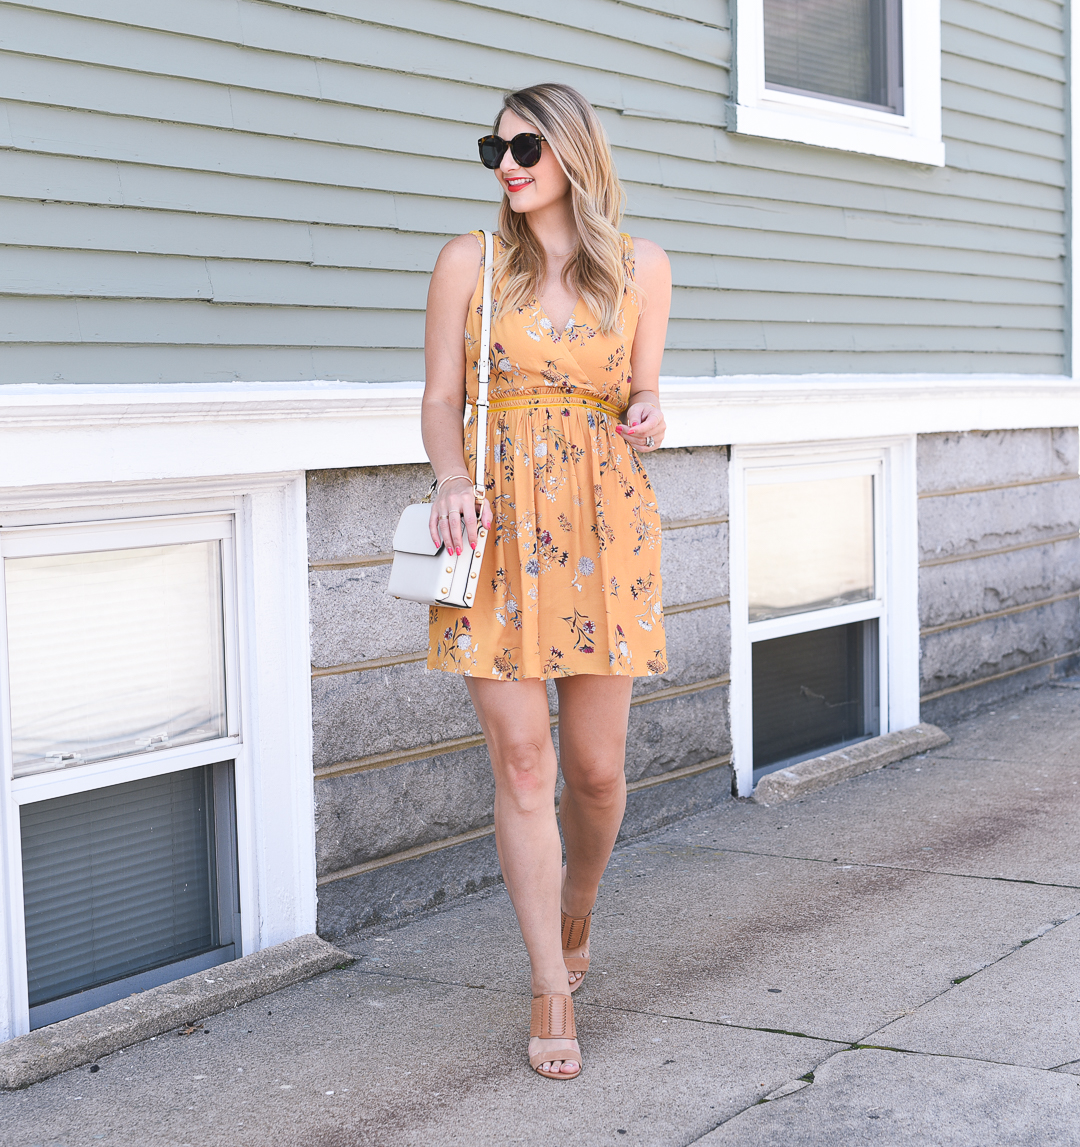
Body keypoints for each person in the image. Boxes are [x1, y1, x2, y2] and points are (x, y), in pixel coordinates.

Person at [421, 82, 671, 1081]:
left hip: (607, 526)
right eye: (496, 149)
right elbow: (441, 397)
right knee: (524, 765)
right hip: (493, 525)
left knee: (597, 771)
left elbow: (645, 392)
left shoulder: (643, 267)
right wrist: (449, 475)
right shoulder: (468, 263)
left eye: (526, 145)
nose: (508, 165)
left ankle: (580, 906)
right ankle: (549, 984)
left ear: (574, 150)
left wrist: (651, 410)